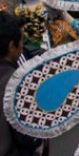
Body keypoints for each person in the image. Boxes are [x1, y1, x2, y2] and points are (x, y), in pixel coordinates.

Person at [0, 12, 44, 155]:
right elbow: (27, 136)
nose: (22, 46)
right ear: (12, 46)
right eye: (21, 41)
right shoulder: (14, 82)